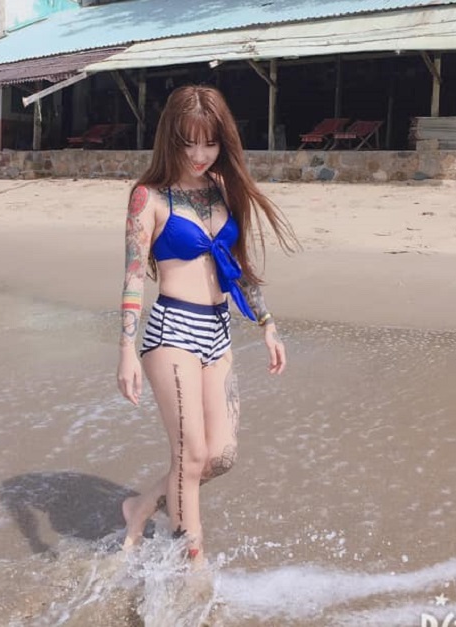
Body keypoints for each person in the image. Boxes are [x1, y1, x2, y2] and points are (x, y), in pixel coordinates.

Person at [116, 85, 298, 563]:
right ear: (170, 140)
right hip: (172, 331)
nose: (199, 155)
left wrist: (267, 323)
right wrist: (126, 351)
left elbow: (238, 265)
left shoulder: (222, 187)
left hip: (218, 331)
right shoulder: (148, 197)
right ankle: (190, 565)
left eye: (210, 143)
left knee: (220, 456)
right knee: (190, 454)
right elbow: (133, 275)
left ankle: (141, 506)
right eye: (188, 143)